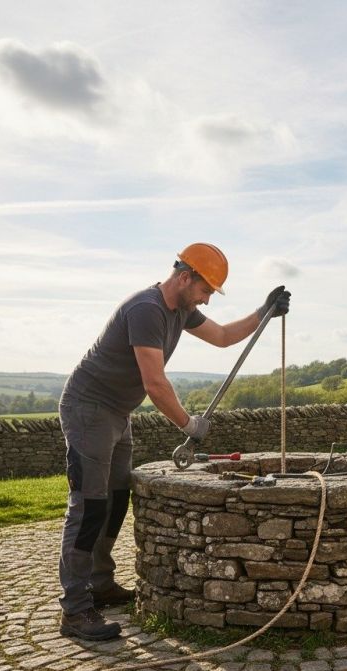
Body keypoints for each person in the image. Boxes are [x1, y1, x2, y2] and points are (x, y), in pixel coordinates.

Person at [57, 242, 290, 641]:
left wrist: (263, 311)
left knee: (116, 500)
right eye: (205, 290)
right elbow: (155, 383)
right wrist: (189, 425)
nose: (207, 299)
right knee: (89, 506)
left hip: (118, 413)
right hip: (89, 410)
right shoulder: (146, 310)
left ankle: (100, 583)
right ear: (184, 277)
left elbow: (222, 336)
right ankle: (75, 610)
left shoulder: (181, 309)